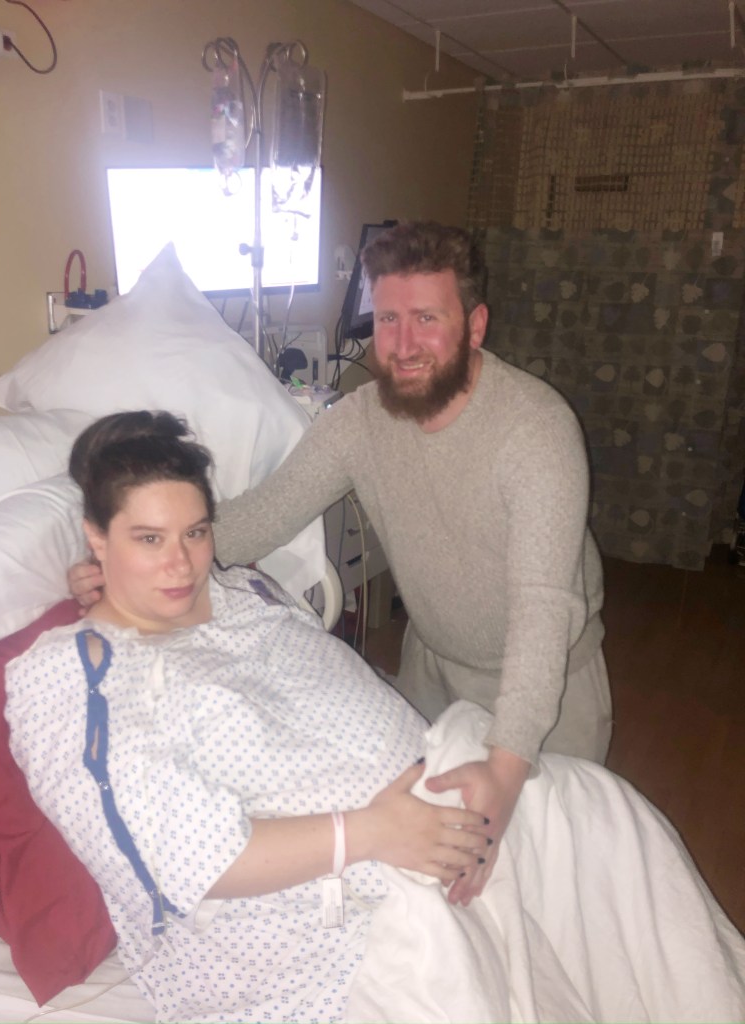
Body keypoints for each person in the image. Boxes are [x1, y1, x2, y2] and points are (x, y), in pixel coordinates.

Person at [10, 413, 745, 1024]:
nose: (181, 564)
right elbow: (187, 866)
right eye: (148, 539)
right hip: (316, 920)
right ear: (96, 538)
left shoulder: (246, 594)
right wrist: (372, 833)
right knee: (460, 966)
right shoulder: (71, 681)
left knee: (601, 812)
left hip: (433, 801)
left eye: (196, 533)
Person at [69, 222, 610, 906]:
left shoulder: (535, 430)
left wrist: (505, 770)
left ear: (475, 325)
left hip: (548, 691)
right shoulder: (360, 421)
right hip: (434, 672)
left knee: (552, 881)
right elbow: (263, 517)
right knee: (445, 889)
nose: (403, 345)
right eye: (387, 319)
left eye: (426, 319)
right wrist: (140, 560)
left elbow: (541, 610)